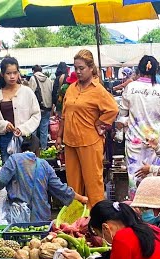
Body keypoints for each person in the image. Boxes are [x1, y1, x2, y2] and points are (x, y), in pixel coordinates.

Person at [62, 49, 118, 208]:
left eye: (82, 68)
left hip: (90, 142)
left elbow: (113, 109)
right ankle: (75, 219)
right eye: (76, 68)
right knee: (73, 185)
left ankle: (97, 218)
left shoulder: (98, 89)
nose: (78, 72)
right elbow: (64, 113)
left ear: (91, 68)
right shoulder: (71, 88)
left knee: (93, 183)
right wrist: (59, 136)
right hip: (70, 142)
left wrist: (100, 123)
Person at [0, 139, 88, 224]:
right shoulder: (44, 165)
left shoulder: (14, 159)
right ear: (37, 150)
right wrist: (81, 198)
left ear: (21, 149)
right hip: (41, 218)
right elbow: (60, 189)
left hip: (17, 219)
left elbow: (0, 181)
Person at [118, 55, 160, 192]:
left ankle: (136, 210)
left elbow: (122, 113)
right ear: (155, 71)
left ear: (139, 70)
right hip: (154, 143)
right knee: (154, 177)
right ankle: (154, 208)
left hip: (134, 142)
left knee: (135, 179)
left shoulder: (130, 88)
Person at [0, 57, 41, 164]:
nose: (12, 76)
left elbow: (36, 115)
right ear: (2, 74)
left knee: (26, 173)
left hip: (26, 140)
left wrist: (23, 128)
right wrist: (4, 125)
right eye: (8, 73)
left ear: (18, 73)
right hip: (5, 139)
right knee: (9, 173)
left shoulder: (27, 92)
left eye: (15, 73)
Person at [28, 64, 56, 150]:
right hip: (47, 108)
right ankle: (43, 148)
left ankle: (34, 149)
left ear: (33, 71)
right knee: (44, 129)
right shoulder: (48, 79)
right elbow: (51, 92)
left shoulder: (33, 78)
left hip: (37, 107)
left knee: (34, 129)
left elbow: (30, 94)